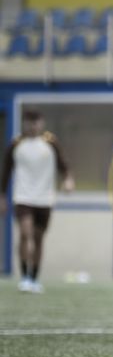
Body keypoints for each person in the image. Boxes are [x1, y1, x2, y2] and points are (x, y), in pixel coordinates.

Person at [0, 110, 74, 293]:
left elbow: (63, 164)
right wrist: (2, 196)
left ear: (41, 123)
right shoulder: (16, 144)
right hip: (23, 197)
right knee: (25, 233)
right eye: (29, 123)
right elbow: (6, 172)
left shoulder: (50, 142)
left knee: (39, 238)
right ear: (24, 123)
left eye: (36, 122)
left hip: (45, 198)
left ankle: (34, 278)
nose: (33, 126)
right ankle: (24, 276)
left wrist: (68, 179)